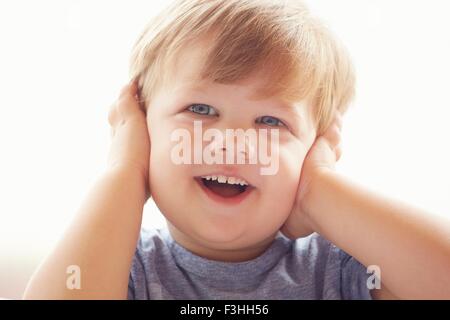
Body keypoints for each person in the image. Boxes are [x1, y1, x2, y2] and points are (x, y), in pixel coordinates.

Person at [23, 0, 450, 299]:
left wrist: (317, 190)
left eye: (270, 122)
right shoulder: (118, 266)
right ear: (143, 130)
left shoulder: (344, 268)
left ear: (314, 147)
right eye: (201, 109)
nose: (232, 144)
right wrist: (125, 172)